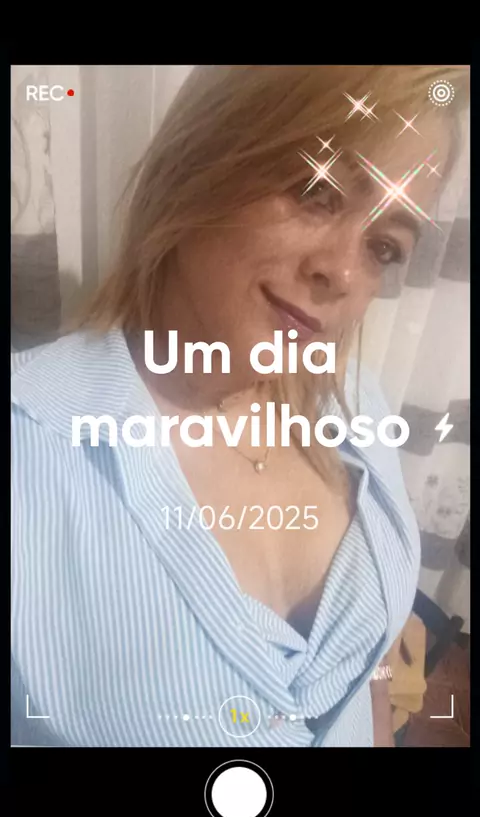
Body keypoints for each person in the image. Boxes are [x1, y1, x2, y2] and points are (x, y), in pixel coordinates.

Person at [11, 65, 468, 747]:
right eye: (317, 192)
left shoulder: (358, 406)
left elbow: (369, 668)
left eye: (384, 247)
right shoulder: (29, 449)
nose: (344, 273)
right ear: (198, 160)